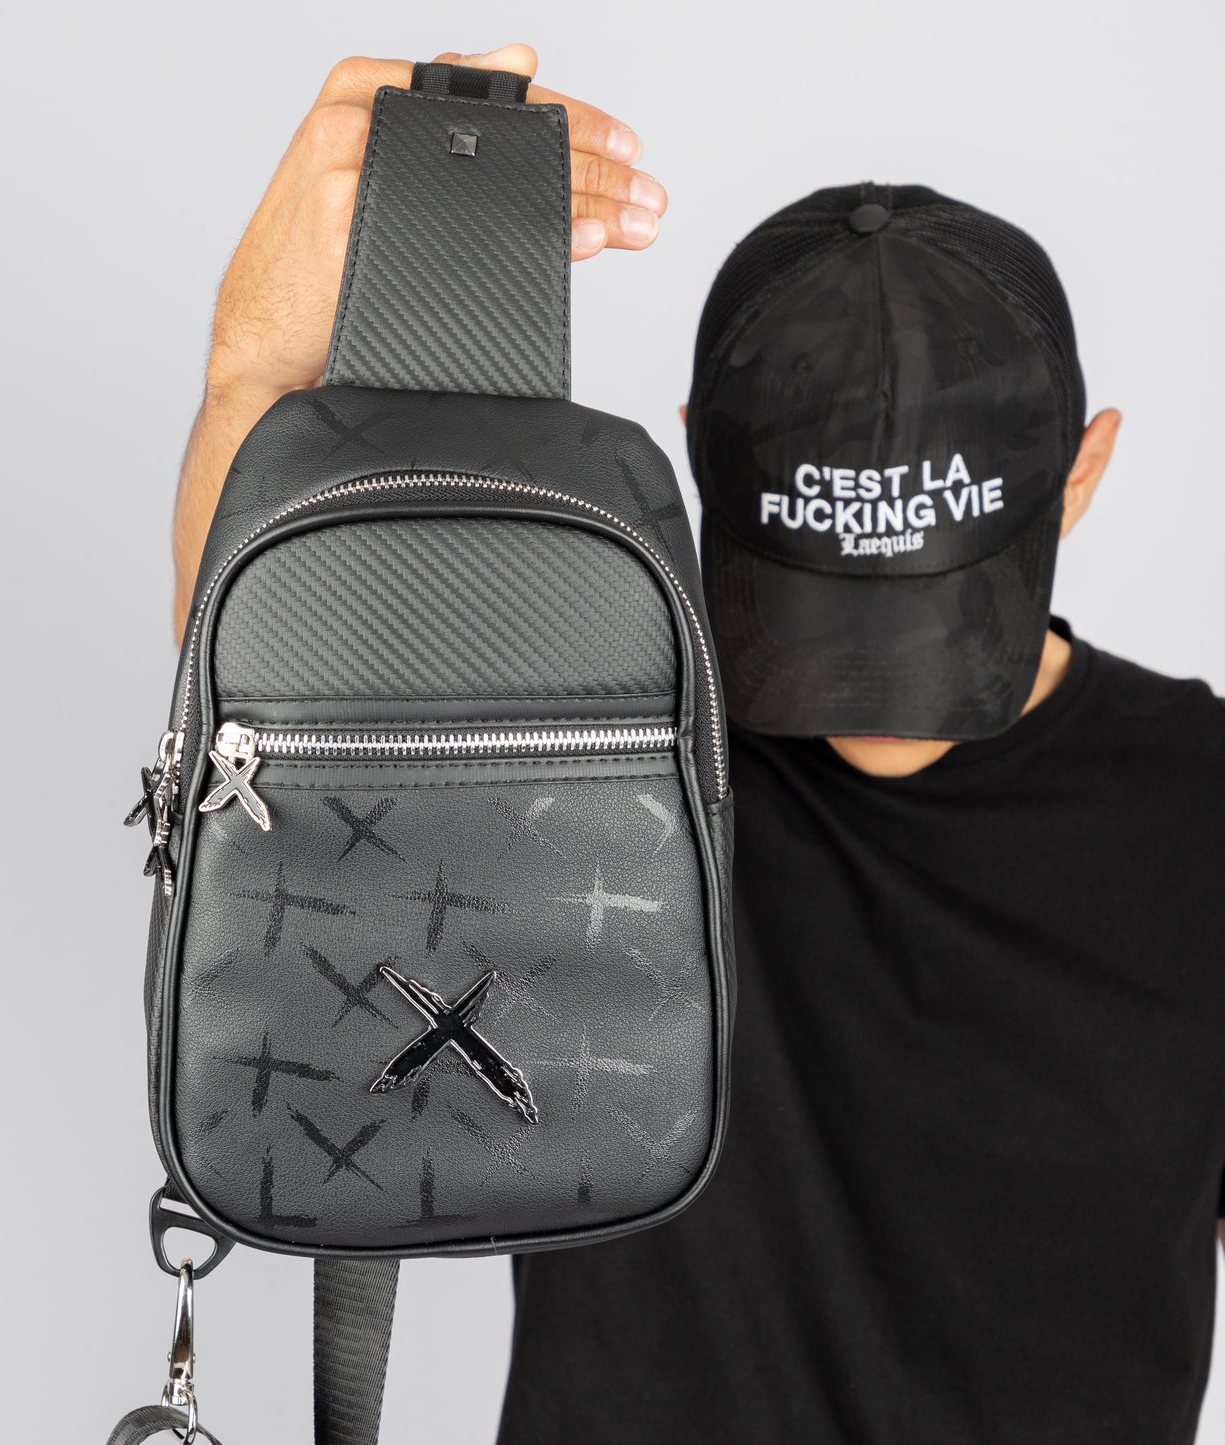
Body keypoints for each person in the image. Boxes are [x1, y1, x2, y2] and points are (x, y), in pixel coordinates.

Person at [171, 47, 1225, 1445]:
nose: (876, 699)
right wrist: (253, 360)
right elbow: (266, 739)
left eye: (922, 605)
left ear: (1081, 471)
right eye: (826, 605)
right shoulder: (597, 735)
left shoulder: (1209, 808)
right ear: (697, 464)